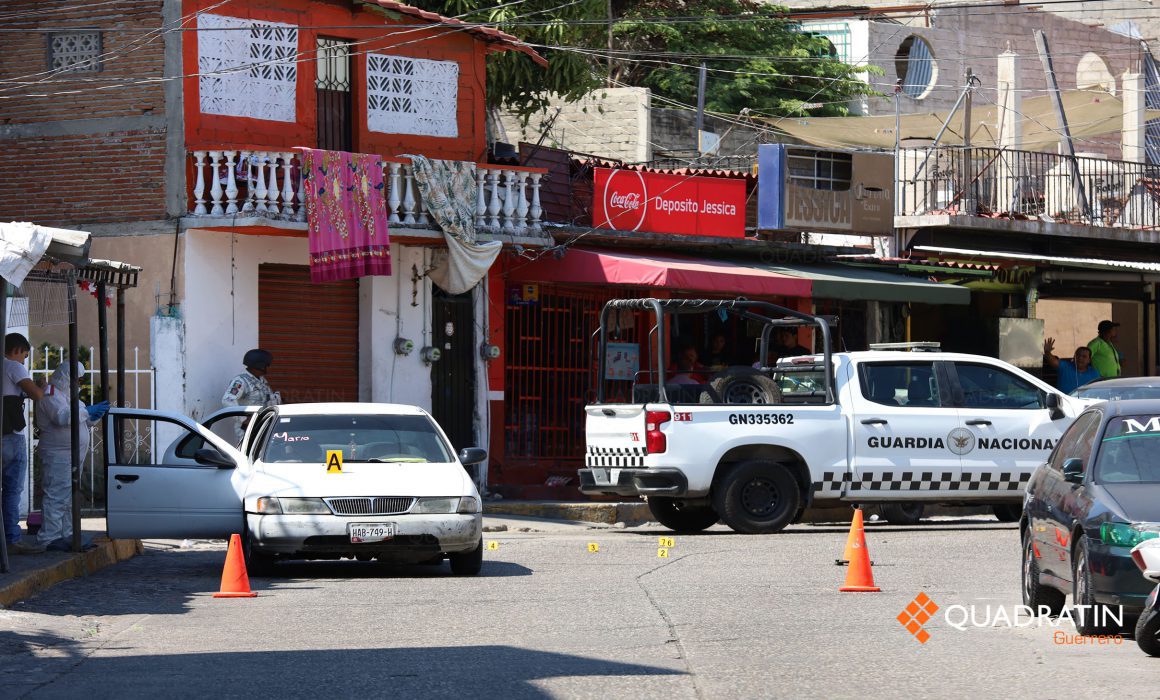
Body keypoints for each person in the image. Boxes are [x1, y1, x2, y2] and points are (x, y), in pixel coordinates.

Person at [34, 361, 109, 551]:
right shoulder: (50, 394)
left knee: (67, 498)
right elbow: (62, 417)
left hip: (71, 455)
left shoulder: (68, 396)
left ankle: (67, 535)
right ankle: (49, 538)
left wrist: (94, 414)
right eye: (77, 379)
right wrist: (86, 412)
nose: (79, 383)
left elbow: (82, 420)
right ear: (66, 376)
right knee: (56, 496)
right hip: (57, 455)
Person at [2, 333, 44, 554]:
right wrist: (42, 387)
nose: (24, 362)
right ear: (17, 349)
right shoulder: (13, 367)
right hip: (10, 437)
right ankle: (11, 539)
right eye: (24, 356)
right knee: (11, 490)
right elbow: (36, 395)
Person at [221, 349, 280, 440]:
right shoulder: (241, 381)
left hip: (263, 425)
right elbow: (227, 400)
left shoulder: (262, 381)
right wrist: (244, 419)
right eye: (267, 365)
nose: (268, 368)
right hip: (248, 429)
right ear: (260, 365)